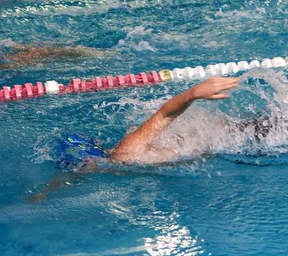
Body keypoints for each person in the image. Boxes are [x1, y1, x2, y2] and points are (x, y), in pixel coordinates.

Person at [29, 77, 241, 202]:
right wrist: (46, 192)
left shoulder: (127, 154)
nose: (83, 171)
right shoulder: (120, 163)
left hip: (228, 134)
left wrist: (194, 93)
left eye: (83, 167)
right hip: (221, 140)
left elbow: (165, 114)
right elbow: (71, 178)